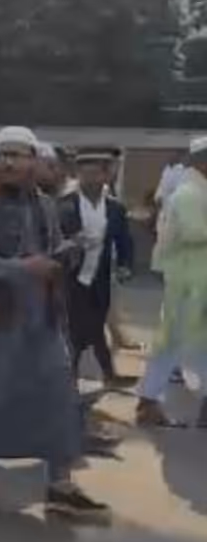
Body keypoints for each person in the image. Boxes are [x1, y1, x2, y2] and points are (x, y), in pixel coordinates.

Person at [0, 126, 109, 522]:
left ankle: (60, 485)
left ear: (35, 161)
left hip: (42, 319)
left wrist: (67, 251)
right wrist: (23, 268)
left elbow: (47, 251)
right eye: (3, 155)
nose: (9, 163)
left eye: (18, 155)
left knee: (57, 398)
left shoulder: (45, 207)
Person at [135, 137, 207, 429]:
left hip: (194, 280)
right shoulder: (190, 194)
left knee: (185, 345)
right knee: (177, 345)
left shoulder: (197, 190)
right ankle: (148, 403)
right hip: (189, 282)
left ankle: (149, 403)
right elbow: (194, 232)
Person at [57, 149, 135, 387]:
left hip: (100, 278)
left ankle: (103, 375)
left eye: (95, 173)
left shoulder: (115, 208)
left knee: (96, 325)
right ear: (78, 175)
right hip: (72, 277)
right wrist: (71, 243)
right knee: (75, 329)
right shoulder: (64, 205)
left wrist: (125, 265)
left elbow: (124, 240)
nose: (90, 179)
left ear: (105, 175)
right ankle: (76, 378)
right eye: (85, 174)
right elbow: (53, 238)